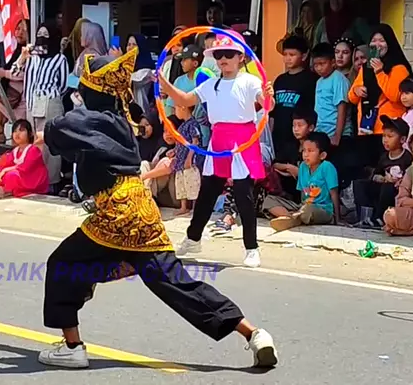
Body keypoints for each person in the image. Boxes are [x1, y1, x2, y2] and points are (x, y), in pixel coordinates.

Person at [37, 48, 278, 370]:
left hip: (115, 212)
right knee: (177, 282)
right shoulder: (121, 120)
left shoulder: (90, 119)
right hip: (143, 210)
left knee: (62, 263)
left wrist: (40, 134)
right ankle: (254, 333)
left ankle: (72, 347)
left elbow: (57, 129)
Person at [160, 34, 276, 268]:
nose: (223, 59)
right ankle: (193, 239)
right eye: (219, 54)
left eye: (229, 54)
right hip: (219, 139)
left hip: (243, 139)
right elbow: (185, 99)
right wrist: (163, 83)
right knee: (208, 192)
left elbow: (267, 106)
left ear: (240, 57)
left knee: (243, 194)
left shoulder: (250, 81)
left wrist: (268, 96)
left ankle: (251, 248)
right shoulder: (210, 84)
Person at [348, 24, 411, 164]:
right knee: (367, 170)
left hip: (388, 131)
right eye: (374, 40)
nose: (377, 45)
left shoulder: (399, 67)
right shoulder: (366, 67)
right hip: (365, 129)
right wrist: (356, 90)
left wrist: (379, 72)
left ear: (389, 43)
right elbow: (351, 98)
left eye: (381, 40)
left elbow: (394, 95)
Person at [262, 132, 339, 232]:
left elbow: (334, 194)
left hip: (323, 209)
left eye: (310, 151)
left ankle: (292, 218)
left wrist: (337, 219)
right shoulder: (303, 166)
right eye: (304, 150)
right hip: (303, 207)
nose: (306, 154)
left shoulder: (327, 167)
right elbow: (303, 195)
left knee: (308, 210)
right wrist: (300, 207)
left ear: (322, 155)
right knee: (269, 200)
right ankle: (292, 218)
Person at [25, 21, 69, 190]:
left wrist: (49, 94)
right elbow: (17, 73)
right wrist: (22, 58)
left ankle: (51, 182)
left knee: (49, 144)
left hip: (50, 103)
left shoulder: (60, 59)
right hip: (32, 103)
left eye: (46, 35)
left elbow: (63, 85)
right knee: (34, 143)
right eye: (39, 35)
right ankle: (34, 179)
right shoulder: (31, 57)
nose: (42, 38)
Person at [353, 116, 412, 229]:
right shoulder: (384, 157)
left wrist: (399, 181)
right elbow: (375, 174)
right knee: (360, 184)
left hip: (396, 191)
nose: (385, 140)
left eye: (390, 136)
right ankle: (364, 217)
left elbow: (411, 176)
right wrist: (382, 178)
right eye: (384, 136)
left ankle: (380, 218)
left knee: (388, 187)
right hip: (383, 186)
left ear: (402, 139)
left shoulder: (407, 157)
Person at [310, 42, 354, 188]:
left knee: (336, 173)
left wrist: (337, 135)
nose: (319, 68)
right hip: (322, 133)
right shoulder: (319, 82)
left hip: (337, 135)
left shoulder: (338, 79)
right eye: (316, 65)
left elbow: (342, 108)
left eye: (322, 64)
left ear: (333, 62)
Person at [271, 35, 317, 166]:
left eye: (292, 55)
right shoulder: (280, 80)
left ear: (304, 56)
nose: (288, 58)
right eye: (285, 54)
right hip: (279, 135)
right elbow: (273, 112)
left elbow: (312, 109)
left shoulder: (311, 80)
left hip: (299, 136)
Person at [0, 119, 48, 199]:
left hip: (31, 178)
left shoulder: (33, 149)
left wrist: (6, 170)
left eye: (21, 130)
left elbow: (25, 167)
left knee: (12, 175)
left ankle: (6, 191)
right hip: (18, 175)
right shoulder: (15, 151)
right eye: (15, 131)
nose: (17, 134)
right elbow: (7, 164)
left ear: (30, 133)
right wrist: (0, 171)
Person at [274, 109, 317, 198]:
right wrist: (289, 168)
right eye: (294, 125)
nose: (296, 129)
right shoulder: (290, 145)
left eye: (300, 125)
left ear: (311, 127)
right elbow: (275, 164)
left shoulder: (316, 147)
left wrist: (299, 172)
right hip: (289, 192)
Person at [173, 105, 201, 215]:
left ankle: (195, 207)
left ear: (183, 108)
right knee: (181, 184)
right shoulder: (182, 125)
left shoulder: (193, 123)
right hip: (180, 160)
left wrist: (189, 157)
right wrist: (174, 151)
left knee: (193, 183)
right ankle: (183, 207)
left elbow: (195, 142)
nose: (175, 111)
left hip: (189, 160)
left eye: (176, 108)